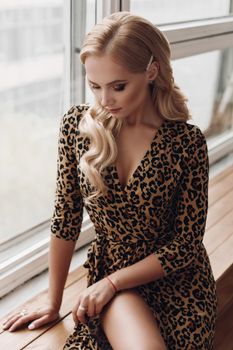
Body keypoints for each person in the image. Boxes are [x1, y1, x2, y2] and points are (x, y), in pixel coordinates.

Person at [3, 11, 217, 349]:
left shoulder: (185, 142)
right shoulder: (77, 127)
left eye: (118, 86)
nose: (105, 100)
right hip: (112, 281)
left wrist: (115, 282)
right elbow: (65, 219)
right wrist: (52, 300)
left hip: (177, 284)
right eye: (95, 86)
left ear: (151, 71)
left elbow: (186, 245)